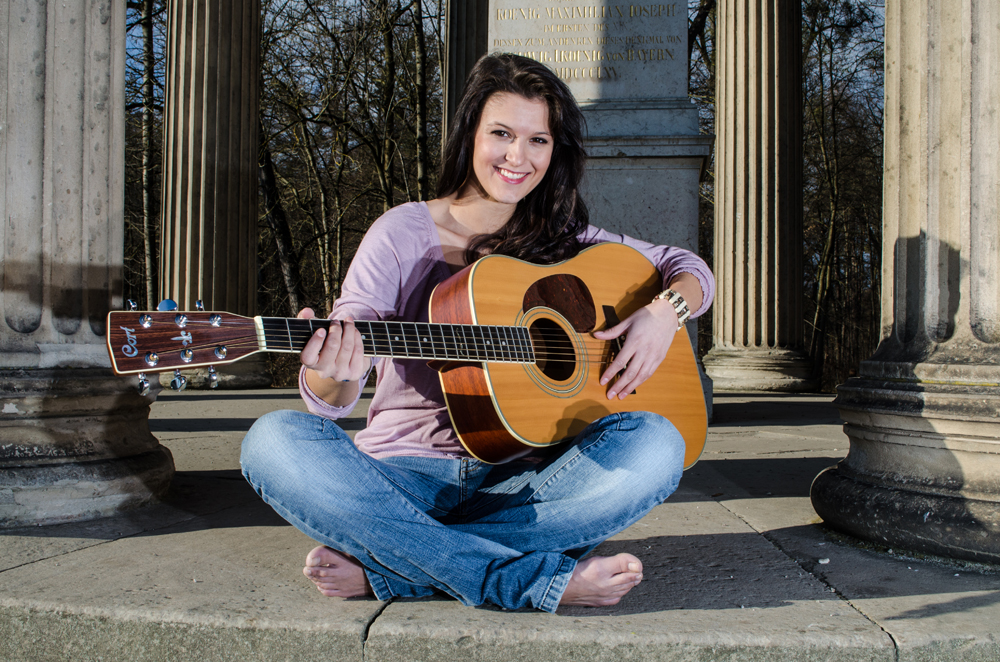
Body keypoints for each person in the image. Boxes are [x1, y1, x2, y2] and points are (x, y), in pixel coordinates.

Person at [241, 53, 714, 613]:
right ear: (470, 135)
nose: (519, 157)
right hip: (402, 480)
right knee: (273, 442)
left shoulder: (565, 238)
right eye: (502, 134)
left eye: (539, 140)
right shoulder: (402, 231)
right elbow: (334, 398)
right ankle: (523, 577)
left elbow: (686, 265)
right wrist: (331, 371)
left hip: (530, 483)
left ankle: (401, 569)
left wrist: (666, 313)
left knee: (659, 445)